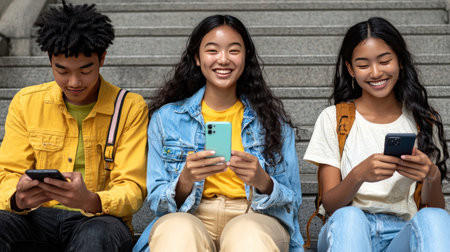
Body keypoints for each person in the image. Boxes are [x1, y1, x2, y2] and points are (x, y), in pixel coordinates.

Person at [133, 14, 303, 252]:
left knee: (247, 234)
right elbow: (157, 201)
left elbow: (292, 201)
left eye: (234, 51)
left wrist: (262, 181)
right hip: (192, 216)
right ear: (197, 58)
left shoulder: (272, 121)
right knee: (176, 232)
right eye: (212, 50)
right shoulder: (167, 119)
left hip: (254, 214)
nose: (223, 59)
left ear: (246, 58)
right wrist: (185, 180)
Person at [0, 1, 148, 251]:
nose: (74, 82)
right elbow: (7, 173)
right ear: (50, 61)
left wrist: (91, 200)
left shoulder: (130, 107)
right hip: (35, 217)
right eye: (62, 70)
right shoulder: (26, 103)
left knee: (96, 238)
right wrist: (17, 197)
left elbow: (133, 188)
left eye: (85, 70)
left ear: (102, 59)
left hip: (97, 219)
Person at [304, 17, 450, 252]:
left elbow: (433, 207)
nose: (375, 72)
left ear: (400, 61)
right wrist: (358, 175)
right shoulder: (334, 118)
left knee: (436, 218)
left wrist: (431, 175)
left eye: (384, 61)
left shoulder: (423, 119)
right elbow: (330, 205)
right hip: (348, 228)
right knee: (349, 216)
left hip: (403, 232)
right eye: (363, 65)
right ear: (350, 69)